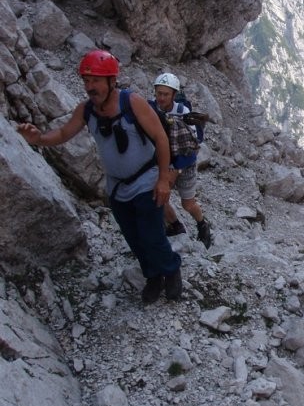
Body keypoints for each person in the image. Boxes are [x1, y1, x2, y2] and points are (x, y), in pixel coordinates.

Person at [17, 49, 182, 304]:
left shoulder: (132, 102)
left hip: (146, 179)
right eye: (86, 80)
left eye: (95, 80)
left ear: (111, 81)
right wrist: (38, 138)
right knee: (134, 237)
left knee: (151, 235)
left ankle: (170, 270)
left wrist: (163, 179)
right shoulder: (87, 110)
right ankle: (152, 276)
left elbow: (161, 138)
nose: (89, 86)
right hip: (117, 187)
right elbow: (62, 134)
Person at [152, 73, 212, 249]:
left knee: (187, 203)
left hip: (184, 163)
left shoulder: (183, 113)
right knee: (158, 196)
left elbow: (193, 143)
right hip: (163, 162)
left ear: (173, 95)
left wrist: (176, 168)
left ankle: (202, 225)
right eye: (159, 93)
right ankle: (175, 227)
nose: (161, 97)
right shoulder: (151, 109)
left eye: (166, 94)